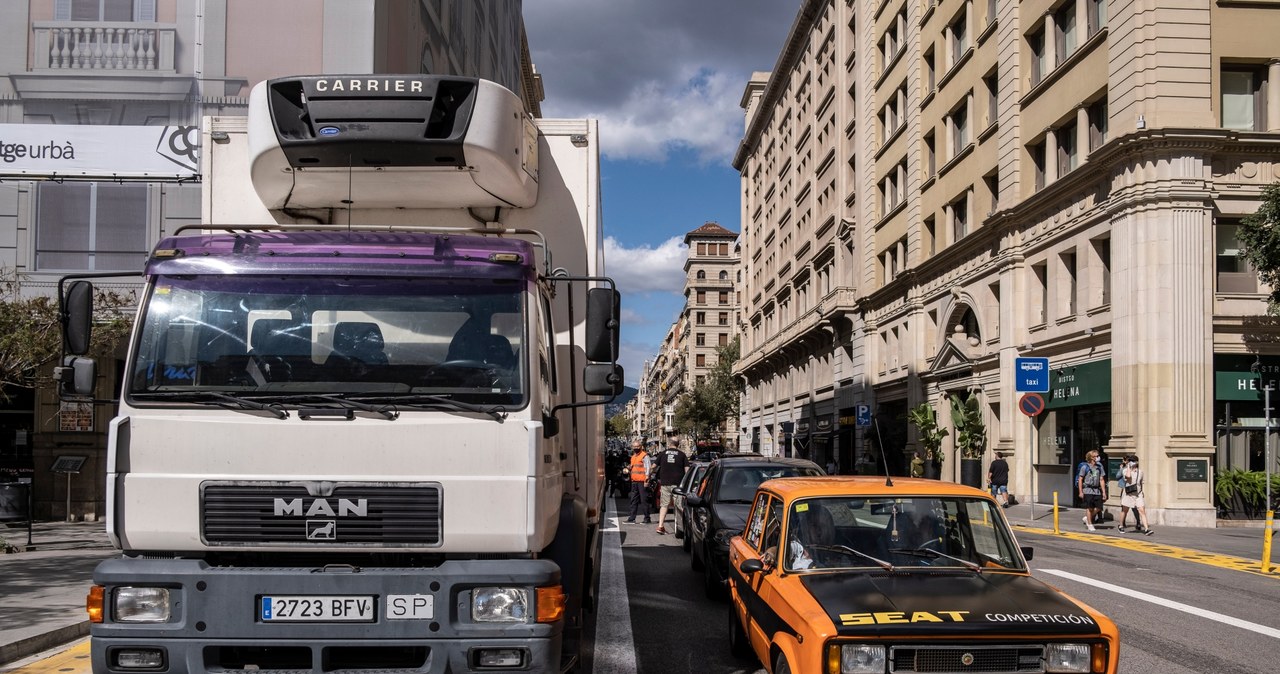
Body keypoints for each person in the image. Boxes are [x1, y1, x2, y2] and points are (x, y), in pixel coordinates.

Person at [653, 433, 689, 534]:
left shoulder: (663, 454)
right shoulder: (682, 455)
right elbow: (687, 470)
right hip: (678, 485)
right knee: (678, 506)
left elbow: (653, 466)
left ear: (669, 444)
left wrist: (649, 475)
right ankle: (680, 527)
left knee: (664, 505)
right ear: (677, 444)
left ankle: (660, 526)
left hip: (665, 484)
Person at [1120, 456, 1153, 535]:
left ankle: (1146, 529)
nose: (1132, 462)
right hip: (1128, 493)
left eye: (1133, 461)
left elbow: (1141, 482)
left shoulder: (1140, 472)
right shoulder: (1125, 470)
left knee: (1142, 510)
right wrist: (1128, 466)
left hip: (1138, 494)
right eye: (1130, 461)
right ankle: (1121, 525)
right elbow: (1128, 477)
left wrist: (1142, 491)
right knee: (1125, 510)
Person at [1076, 450, 1107, 531]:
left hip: (1097, 490)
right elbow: (1080, 479)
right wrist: (1080, 491)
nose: (1098, 457)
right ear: (1091, 457)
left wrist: (1104, 492)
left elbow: (1102, 479)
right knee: (1089, 507)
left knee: (1099, 507)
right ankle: (1090, 524)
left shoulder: (1099, 467)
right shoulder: (1085, 467)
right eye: (1096, 456)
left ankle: (1087, 518)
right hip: (1087, 489)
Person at [625, 439, 653, 524]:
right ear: (632, 447)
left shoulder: (644, 456)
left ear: (641, 447)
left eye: (637, 446)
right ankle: (632, 518)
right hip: (634, 481)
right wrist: (628, 467)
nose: (636, 448)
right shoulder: (633, 457)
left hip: (642, 481)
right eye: (634, 447)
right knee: (633, 500)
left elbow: (648, 468)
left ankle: (647, 518)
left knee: (644, 500)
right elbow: (634, 467)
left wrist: (647, 479)